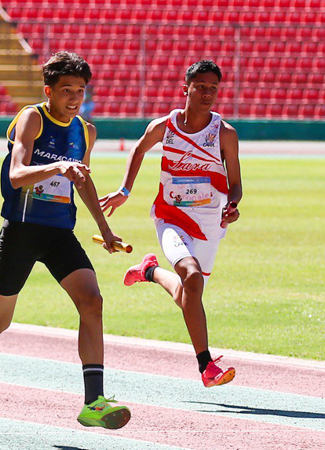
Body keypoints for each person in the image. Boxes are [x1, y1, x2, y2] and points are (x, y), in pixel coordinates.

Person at [0, 51, 131, 429]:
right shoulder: (33, 118)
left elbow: (84, 180)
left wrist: (105, 228)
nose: (74, 98)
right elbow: (16, 175)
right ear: (49, 91)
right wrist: (58, 166)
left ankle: (93, 402)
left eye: (80, 90)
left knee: (92, 301)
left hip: (60, 232)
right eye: (66, 90)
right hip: (22, 229)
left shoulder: (86, 131)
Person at [99, 60, 242, 388]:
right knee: (191, 276)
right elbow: (138, 149)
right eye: (200, 86)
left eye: (213, 88)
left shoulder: (225, 133)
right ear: (185, 89)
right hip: (170, 218)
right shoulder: (164, 126)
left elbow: (235, 184)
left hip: (209, 224)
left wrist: (232, 205)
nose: (207, 93)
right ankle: (206, 365)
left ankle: (149, 271)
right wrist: (124, 190)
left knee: (188, 294)